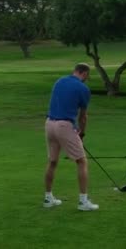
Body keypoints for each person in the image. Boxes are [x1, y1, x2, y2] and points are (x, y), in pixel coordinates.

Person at [43, 63, 98, 211]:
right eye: (88, 76)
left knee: (52, 161)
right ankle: (83, 202)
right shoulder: (83, 89)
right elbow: (83, 117)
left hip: (49, 124)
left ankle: (48, 198)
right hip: (64, 126)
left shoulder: (60, 81)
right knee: (81, 161)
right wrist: (82, 133)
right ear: (84, 73)